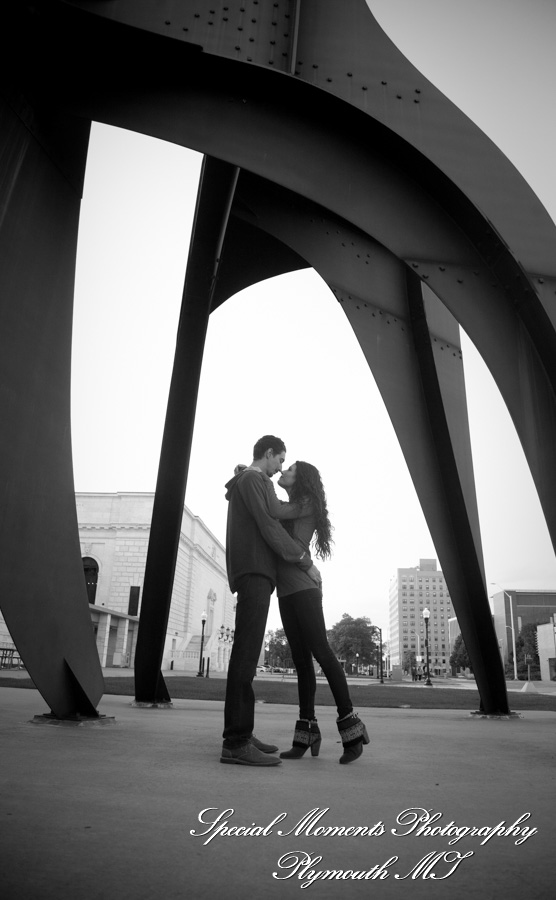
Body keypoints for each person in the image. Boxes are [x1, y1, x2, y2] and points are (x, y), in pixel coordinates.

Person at [221, 435, 320, 767]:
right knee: (245, 656)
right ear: (269, 454)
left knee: (247, 656)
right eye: (280, 460)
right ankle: (235, 742)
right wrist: (300, 555)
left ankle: (242, 735)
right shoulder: (252, 478)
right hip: (254, 571)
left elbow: (271, 514)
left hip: (259, 573)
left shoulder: (253, 480)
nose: (281, 468)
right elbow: (268, 522)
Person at [270, 460, 370, 765]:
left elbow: (273, 513)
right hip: (286, 592)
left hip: (303, 588)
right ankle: (307, 731)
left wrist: (253, 477)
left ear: (301, 480)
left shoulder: (305, 503)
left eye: (289, 471)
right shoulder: (292, 504)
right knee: (301, 662)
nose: (282, 472)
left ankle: (352, 732)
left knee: (323, 653)